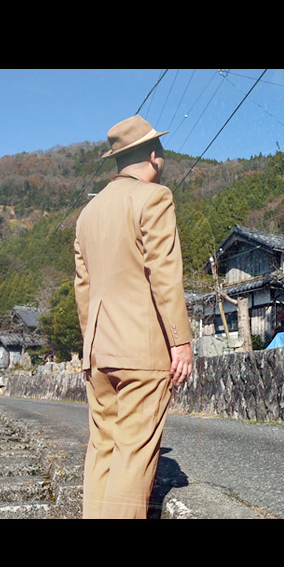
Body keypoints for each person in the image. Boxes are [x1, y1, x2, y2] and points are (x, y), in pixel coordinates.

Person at [74, 115, 194, 519]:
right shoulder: (154, 198)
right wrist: (180, 340)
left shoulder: (87, 215)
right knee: (133, 456)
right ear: (155, 156)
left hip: (98, 352)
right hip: (142, 351)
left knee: (102, 449)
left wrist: (88, 346)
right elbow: (163, 273)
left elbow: (83, 289)